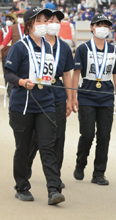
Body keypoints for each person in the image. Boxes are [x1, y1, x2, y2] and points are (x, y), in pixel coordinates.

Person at [4, 6, 65, 205]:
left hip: (46, 105)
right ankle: (21, 187)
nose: (44, 25)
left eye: (46, 21)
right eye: (39, 21)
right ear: (29, 25)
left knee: (48, 146)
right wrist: (22, 82)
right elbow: (8, 74)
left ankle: (53, 190)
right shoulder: (19, 47)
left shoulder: (49, 47)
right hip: (22, 106)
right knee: (23, 148)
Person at [72, 14, 116, 185]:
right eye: (99, 25)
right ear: (92, 27)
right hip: (86, 95)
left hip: (106, 97)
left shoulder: (114, 50)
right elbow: (76, 74)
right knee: (87, 135)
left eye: (106, 26)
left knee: (104, 136)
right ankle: (80, 164)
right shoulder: (83, 49)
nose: (103, 28)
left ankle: (99, 173)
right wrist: (73, 96)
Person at [27, 10, 74, 188]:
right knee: (34, 137)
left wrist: (70, 98)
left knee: (58, 137)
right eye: (50, 20)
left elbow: (67, 74)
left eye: (57, 21)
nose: (53, 23)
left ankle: (55, 176)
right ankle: (26, 167)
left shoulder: (64, 47)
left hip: (58, 95)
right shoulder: (36, 45)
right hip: (39, 94)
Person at [0, 9, 26, 97]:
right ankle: (12, 94)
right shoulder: (14, 28)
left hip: (26, 56)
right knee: (12, 75)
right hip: (15, 56)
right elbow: (6, 40)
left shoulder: (29, 27)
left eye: (21, 16)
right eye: (19, 16)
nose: (20, 18)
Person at [0, 12, 16, 94]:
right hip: (5, 54)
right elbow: (1, 42)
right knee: (7, 73)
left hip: (13, 54)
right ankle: (8, 90)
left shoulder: (16, 29)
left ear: (13, 20)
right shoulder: (2, 30)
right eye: (6, 19)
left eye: (9, 19)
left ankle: (12, 89)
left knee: (14, 73)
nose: (7, 21)